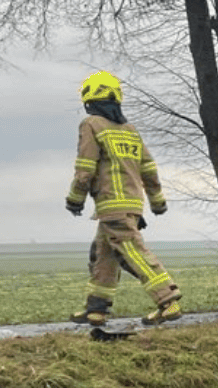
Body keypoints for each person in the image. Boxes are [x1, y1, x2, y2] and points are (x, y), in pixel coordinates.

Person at [65, 71, 182, 326]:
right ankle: (97, 310)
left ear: (90, 98)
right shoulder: (130, 131)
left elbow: (85, 167)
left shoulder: (91, 124)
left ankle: (167, 299)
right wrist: (157, 201)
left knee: (133, 253)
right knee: (103, 255)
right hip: (130, 204)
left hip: (111, 204)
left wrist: (75, 199)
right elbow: (149, 168)